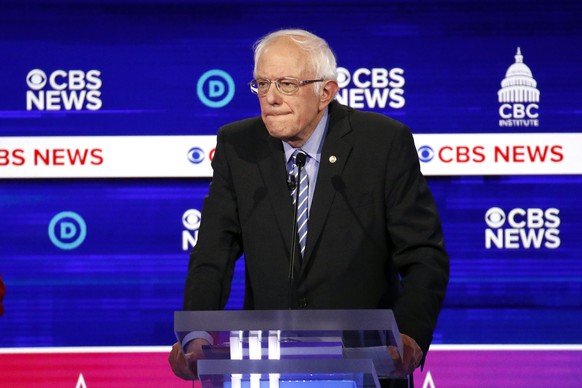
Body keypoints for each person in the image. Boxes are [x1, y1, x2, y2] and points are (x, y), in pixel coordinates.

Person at [169, 29, 449, 387]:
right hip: (267, 367)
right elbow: (213, 253)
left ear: (326, 92)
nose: (270, 98)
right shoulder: (238, 146)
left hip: (368, 364)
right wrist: (197, 335)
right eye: (262, 84)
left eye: (286, 84)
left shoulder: (382, 143)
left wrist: (408, 335)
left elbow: (424, 255)